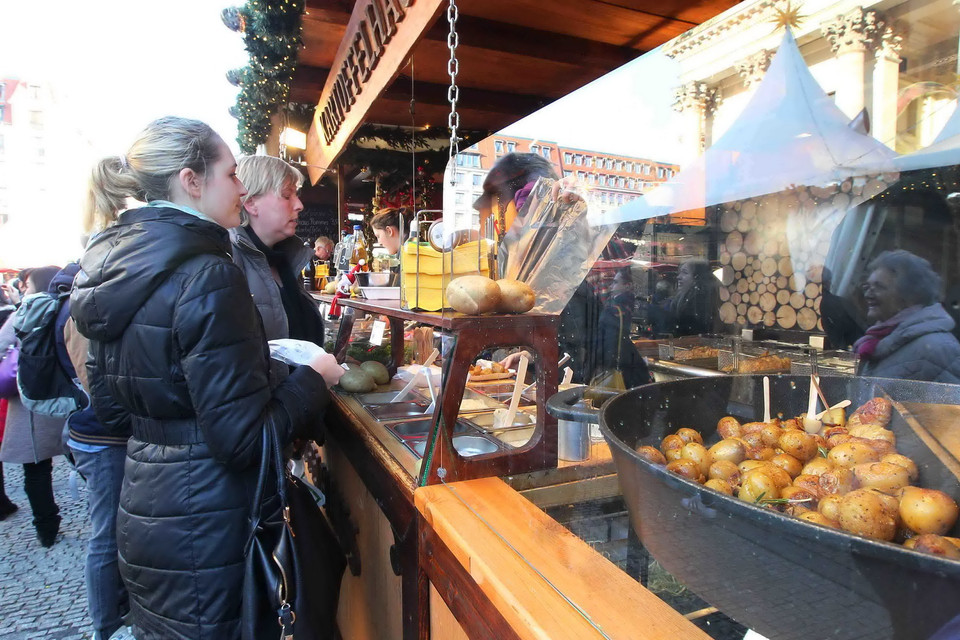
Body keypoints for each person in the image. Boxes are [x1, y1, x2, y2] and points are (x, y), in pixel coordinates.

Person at [71, 116, 344, 639]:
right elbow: (243, 440)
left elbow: (109, 407)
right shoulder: (210, 272)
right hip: (212, 524)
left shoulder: (109, 265)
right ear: (191, 180)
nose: (242, 187)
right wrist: (313, 377)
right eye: (232, 173)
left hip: (146, 508)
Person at [483, 153, 651, 388]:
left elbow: (642, 209)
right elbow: (569, 340)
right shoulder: (547, 270)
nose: (541, 240)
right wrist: (531, 357)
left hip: (618, 381)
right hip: (582, 383)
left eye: (544, 225)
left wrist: (587, 198)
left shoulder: (597, 250)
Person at [232, 155, 327, 381]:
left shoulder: (285, 259)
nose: (299, 205)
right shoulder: (228, 262)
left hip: (301, 405)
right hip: (271, 411)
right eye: (286, 195)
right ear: (251, 203)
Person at [0, 266, 65, 547]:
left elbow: (1, 345)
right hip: (70, 395)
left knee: (36, 469)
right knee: (90, 462)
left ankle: (46, 528)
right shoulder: (70, 308)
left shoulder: (23, 313)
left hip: (32, 400)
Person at [855, 250, 960, 382]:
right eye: (867, 287)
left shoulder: (939, 348)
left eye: (879, 287)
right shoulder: (879, 340)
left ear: (910, 296)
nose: (867, 295)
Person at [668, 259, 720, 336]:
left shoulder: (698, 300)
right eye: (679, 273)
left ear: (697, 277)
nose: (679, 277)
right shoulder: (682, 298)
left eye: (685, 272)